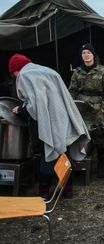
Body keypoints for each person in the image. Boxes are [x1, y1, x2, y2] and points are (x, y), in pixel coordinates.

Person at [9, 54, 90, 198]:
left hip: (47, 122)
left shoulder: (25, 75)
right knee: (65, 154)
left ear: (16, 69)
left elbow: (35, 106)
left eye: (13, 73)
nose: (14, 76)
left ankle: (44, 193)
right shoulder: (47, 71)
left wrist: (20, 110)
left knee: (47, 153)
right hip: (63, 118)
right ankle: (68, 189)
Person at [69, 43, 104, 178]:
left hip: (97, 108)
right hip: (81, 108)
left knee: (100, 136)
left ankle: (101, 165)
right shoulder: (77, 72)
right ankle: (81, 165)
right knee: (81, 136)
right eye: (83, 53)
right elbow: (71, 90)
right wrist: (71, 106)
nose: (86, 55)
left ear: (93, 55)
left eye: (88, 52)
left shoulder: (103, 71)